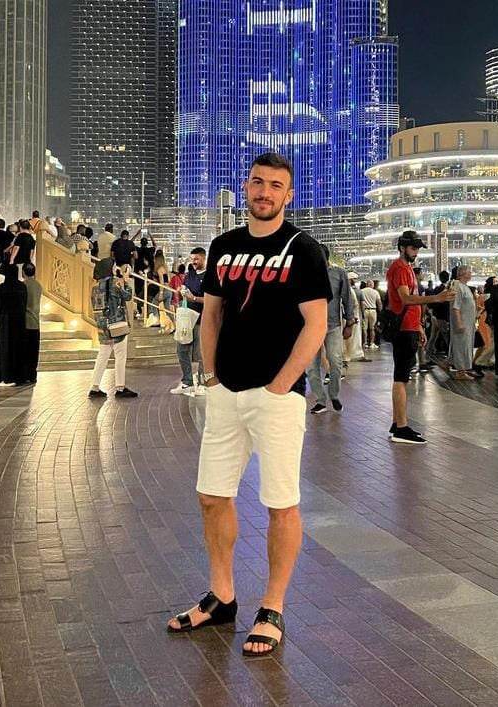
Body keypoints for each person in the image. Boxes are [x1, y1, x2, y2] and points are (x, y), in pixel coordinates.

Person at [167, 152, 331, 660]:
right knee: (211, 496)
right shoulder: (224, 246)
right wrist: (212, 376)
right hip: (226, 394)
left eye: (275, 185)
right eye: (258, 182)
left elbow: (316, 325)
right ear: (246, 187)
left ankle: (272, 606)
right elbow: (211, 316)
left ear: (289, 195)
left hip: (276, 398)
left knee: (281, 503)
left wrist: (281, 384)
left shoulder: (304, 250)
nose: (264, 192)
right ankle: (222, 596)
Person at [386, 231, 455, 444]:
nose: (416, 252)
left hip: (409, 327)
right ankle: (401, 428)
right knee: (401, 378)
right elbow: (406, 299)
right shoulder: (400, 268)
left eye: (417, 249)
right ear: (402, 247)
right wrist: (437, 298)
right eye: (413, 248)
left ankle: (398, 423)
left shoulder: (406, 268)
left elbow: (409, 302)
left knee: (403, 377)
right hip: (403, 329)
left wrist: (418, 326)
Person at [308, 244, 355, 414]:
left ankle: (334, 395)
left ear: (325, 257)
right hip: (310, 327)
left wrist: (350, 323)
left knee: (335, 362)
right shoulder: (306, 275)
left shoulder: (339, 273)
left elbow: (347, 298)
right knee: (311, 367)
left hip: (333, 325)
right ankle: (320, 400)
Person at [88, 258, 137, 398]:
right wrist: (126, 280)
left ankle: (95, 387)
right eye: (114, 266)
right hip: (117, 325)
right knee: (120, 356)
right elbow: (128, 296)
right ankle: (120, 387)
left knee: (102, 356)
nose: (116, 268)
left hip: (102, 327)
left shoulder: (95, 287)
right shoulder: (115, 283)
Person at [170, 248, 206, 396]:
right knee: (182, 350)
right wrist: (181, 291)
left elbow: (213, 300)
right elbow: (184, 289)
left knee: (201, 353)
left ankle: (203, 384)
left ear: (204, 258)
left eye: (196, 259)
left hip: (202, 319)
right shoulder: (190, 274)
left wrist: (194, 298)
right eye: (192, 259)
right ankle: (187, 382)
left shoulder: (211, 276)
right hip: (186, 318)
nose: (193, 262)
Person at [0, 264, 27, 387]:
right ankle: (19, 376)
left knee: (5, 349)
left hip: (6, 322)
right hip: (19, 321)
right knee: (18, 348)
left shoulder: (1, 288)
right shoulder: (22, 287)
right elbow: (24, 304)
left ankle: (6, 376)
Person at [449, 265, 477, 380]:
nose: (471, 274)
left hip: (468, 323)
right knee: (461, 346)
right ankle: (460, 372)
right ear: (463, 274)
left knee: (465, 345)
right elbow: (456, 307)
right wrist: (459, 322)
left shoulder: (465, 287)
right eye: (469, 272)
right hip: (462, 323)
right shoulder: (458, 287)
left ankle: (463, 369)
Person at [21, 264, 42, 384]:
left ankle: (25, 375)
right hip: (36, 322)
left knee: (25, 351)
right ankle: (32, 375)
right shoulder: (38, 285)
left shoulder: (23, 285)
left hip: (26, 322)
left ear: (23, 272)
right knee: (34, 352)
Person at [425, 270, 451, 358]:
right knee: (447, 337)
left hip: (435, 316)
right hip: (443, 317)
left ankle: (428, 354)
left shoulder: (437, 289)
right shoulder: (447, 289)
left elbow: (432, 303)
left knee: (433, 336)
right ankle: (451, 356)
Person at [343, 272, 366, 364]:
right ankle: (351, 355)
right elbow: (355, 304)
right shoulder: (352, 291)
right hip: (352, 316)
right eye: (354, 279)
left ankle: (349, 354)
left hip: (349, 316)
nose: (355, 281)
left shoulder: (349, 290)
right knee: (352, 336)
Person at [360, 279, 382, 349]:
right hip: (373, 311)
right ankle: (372, 343)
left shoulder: (361, 291)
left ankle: (365, 343)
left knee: (364, 329)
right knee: (372, 329)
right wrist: (381, 312)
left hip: (364, 311)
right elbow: (379, 303)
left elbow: (360, 302)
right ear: (372, 285)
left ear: (366, 284)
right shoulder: (375, 292)